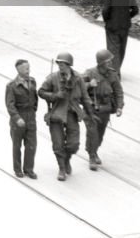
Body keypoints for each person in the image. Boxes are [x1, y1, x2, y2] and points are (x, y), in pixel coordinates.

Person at [38, 52, 94, 181]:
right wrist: (55, 95)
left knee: (73, 144)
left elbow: (85, 97)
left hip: (72, 114)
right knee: (57, 144)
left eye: (63, 64)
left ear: (69, 65)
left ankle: (67, 159)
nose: (60, 66)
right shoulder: (53, 77)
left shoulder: (78, 79)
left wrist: (90, 113)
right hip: (57, 113)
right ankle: (62, 168)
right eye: (59, 64)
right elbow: (41, 92)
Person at [82, 49, 124, 170]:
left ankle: (94, 151)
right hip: (91, 109)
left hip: (105, 109)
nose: (110, 63)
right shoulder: (90, 73)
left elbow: (118, 92)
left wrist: (120, 106)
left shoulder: (112, 74)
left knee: (100, 135)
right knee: (93, 133)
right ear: (101, 63)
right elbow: (77, 86)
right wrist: (90, 84)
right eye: (108, 61)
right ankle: (91, 157)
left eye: (110, 60)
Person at [5, 59, 38, 179]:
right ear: (18, 70)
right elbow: (10, 104)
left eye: (29, 68)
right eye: (26, 68)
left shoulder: (33, 82)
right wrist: (17, 118)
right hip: (18, 119)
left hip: (31, 118)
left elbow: (35, 99)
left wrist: (33, 111)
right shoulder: (11, 86)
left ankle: (29, 169)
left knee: (31, 145)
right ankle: (18, 169)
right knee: (17, 145)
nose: (28, 70)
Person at [102, 0, 139, 69]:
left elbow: (105, 10)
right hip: (124, 27)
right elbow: (135, 10)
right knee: (121, 49)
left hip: (112, 26)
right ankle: (118, 68)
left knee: (113, 49)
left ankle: (115, 73)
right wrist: (127, 17)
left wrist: (107, 20)